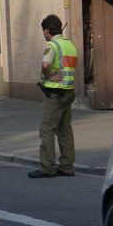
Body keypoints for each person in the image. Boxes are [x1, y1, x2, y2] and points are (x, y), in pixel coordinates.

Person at [29, 14, 78, 179]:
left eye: (43, 31)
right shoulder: (70, 45)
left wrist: (48, 75)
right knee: (65, 130)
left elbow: (45, 65)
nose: (43, 34)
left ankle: (47, 167)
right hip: (68, 91)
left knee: (47, 130)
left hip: (54, 94)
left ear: (47, 31)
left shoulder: (52, 46)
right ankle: (67, 166)